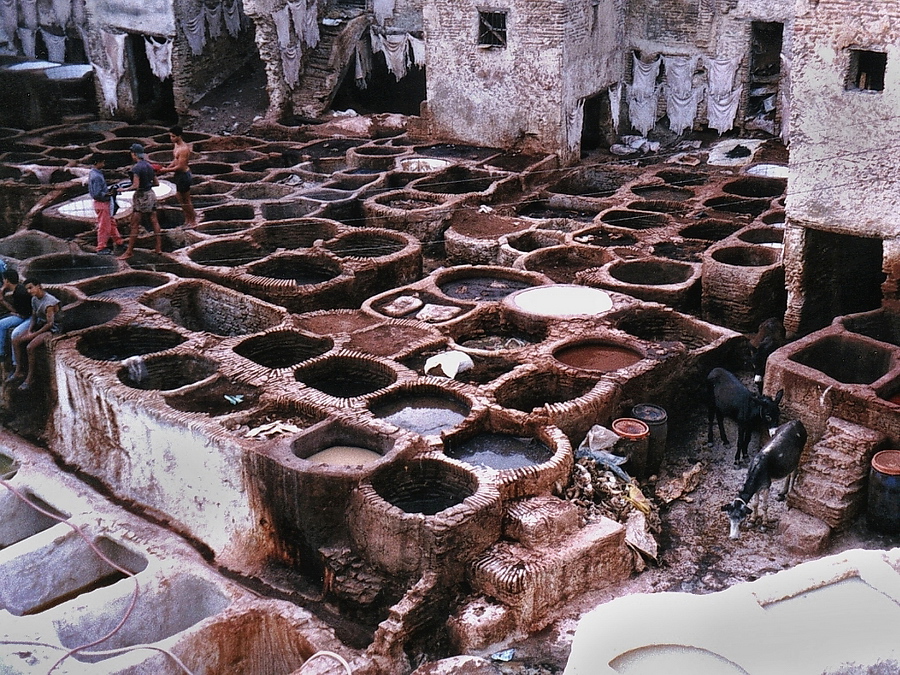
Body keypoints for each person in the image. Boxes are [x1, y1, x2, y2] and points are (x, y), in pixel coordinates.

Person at [7, 278, 62, 392]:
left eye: (31, 288)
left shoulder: (49, 302)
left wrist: (33, 335)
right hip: (40, 324)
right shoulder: (34, 299)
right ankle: (18, 371)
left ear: (39, 286)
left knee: (30, 347)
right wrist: (30, 330)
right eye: (27, 289)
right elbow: (33, 316)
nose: (29, 291)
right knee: (16, 340)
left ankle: (29, 378)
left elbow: (50, 324)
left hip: (53, 329)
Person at [118, 143, 162, 260]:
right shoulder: (149, 166)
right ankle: (158, 247)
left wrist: (124, 189)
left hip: (141, 196)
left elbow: (135, 185)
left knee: (134, 224)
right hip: (151, 194)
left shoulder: (136, 168)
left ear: (134, 154)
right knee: (154, 220)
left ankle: (129, 251)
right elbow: (156, 183)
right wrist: (147, 183)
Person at [161, 125, 198, 228]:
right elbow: (175, 161)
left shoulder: (184, 149)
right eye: (170, 136)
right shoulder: (176, 145)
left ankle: (193, 220)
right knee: (180, 198)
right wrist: (167, 167)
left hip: (183, 175)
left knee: (186, 199)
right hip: (178, 175)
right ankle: (187, 219)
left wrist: (166, 170)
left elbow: (181, 166)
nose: (171, 138)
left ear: (179, 136)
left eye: (173, 136)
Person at [88, 153, 124, 254]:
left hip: (104, 203)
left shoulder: (94, 173)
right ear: (97, 162)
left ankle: (119, 241)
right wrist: (109, 193)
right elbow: (97, 194)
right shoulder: (96, 176)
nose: (104, 164)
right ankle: (101, 247)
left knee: (111, 223)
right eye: (102, 162)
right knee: (104, 226)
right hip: (102, 203)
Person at [0, 269, 32, 370]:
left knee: (15, 334)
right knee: (1, 323)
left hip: (30, 318)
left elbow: (23, 314)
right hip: (22, 315)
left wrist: (14, 313)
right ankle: (1, 352)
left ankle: (15, 364)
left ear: (7, 281)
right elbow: (17, 311)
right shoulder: (17, 290)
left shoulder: (20, 293)